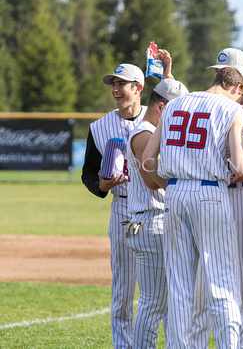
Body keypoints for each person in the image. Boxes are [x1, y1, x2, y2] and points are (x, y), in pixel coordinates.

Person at [141, 65, 243, 348]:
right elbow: (239, 167)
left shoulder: (175, 104)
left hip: (176, 192)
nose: (241, 102)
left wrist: (171, 185)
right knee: (222, 282)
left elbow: (147, 158)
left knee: (179, 285)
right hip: (210, 192)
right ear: (237, 87)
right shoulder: (232, 109)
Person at [191, 48, 243, 349]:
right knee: (200, 284)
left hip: (240, 199)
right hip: (205, 196)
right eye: (220, 71)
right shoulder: (204, 105)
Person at [124, 49, 188, 348]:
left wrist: (167, 73)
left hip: (155, 222)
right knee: (152, 304)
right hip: (151, 222)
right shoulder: (144, 135)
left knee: (163, 302)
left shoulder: (152, 126)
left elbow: (167, 93)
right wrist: (186, 187)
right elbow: (152, 182)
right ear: (162, 109)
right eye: (177, 112)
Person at [81, 62, 147, 348]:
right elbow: (88, 173)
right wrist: (102, 186)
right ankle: (124, 345)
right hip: (122, 209)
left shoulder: (159, 118)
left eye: (122, 83)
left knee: (160, 288)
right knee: (122, 287)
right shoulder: (100, 127)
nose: (116, 89)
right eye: (113, 84)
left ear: (138, 88)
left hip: (157, 210)